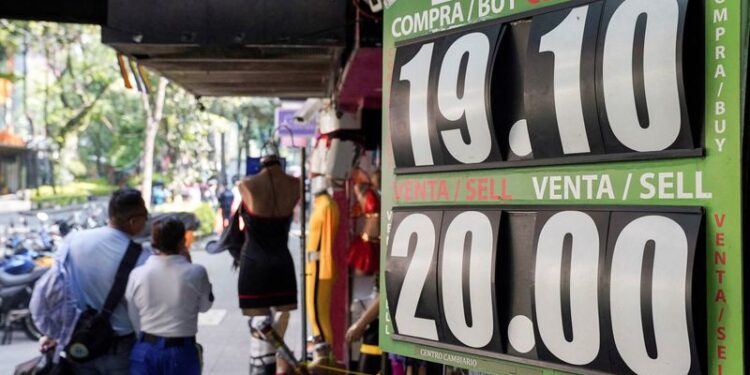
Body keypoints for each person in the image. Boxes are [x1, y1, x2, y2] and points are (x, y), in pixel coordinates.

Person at [35, 188, 151, 374]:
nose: (147, 221)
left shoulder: (74, 241)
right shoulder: (142, 258)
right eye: (145, 216)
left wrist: (53, 333)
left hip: (80, 342)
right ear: (133, 221)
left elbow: (47, 292)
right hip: (119, 348)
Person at [126, 218, 213, 375]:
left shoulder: (137, 274)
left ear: (154, 241)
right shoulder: (196, 272)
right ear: (182, 241)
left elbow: (133, 314)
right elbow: (205, 307)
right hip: (181, 351)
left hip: (144, 349)